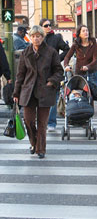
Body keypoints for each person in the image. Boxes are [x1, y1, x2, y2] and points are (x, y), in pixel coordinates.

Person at [13, 25, 63, 159]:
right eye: (33, 36)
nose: (36, 39)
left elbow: (59, 71)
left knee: (42, 123)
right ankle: (33, 143)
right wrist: (16, 93)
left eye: (39, 36)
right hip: (28, 91)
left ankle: (41, 149)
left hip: (45, 91)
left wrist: (51, 81)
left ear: (43, 37)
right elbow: (20, 74)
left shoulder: (51, 52)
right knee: (28, 121)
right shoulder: (25, 52)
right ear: (30, 37)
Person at [39, 18, 70, 132]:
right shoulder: (38, 39)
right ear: (41, 27)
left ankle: (51, 122)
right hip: (41, 72)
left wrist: (57, 59)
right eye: (46, 25)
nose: (48, 27)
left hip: (54, 72)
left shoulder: (56, 38)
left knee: (53, 97)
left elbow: (67, 49)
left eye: (50, 25)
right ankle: (42, 121)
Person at [64, 24, 97, 94]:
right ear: (79, 34)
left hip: (91, 73)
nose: (86, 32)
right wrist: (66, 66)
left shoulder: (93, 43)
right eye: (83, 31)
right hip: (80, 73)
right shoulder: (76, 44)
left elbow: (95, 59)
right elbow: (67, 57)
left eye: (87, 30)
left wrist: (87, 67)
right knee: (80, 94)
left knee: (93, 94)